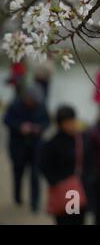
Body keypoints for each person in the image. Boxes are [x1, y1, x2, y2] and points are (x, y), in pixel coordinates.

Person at [40, 105, 93, 225]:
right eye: (67, 122)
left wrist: (88, 178)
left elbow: (89, 160)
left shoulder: (82, 138)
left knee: (77, 219)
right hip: (65, 189)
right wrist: (55, 181)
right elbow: (44, 164)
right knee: (66, 219)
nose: (71, 125)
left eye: (72, 121)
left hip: (80, 187)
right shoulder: (53, 142)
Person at [3, 84, 49, 212]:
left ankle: (35, 204)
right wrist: (20, 127)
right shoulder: (15, 105)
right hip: (18, 146)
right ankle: (17, 198)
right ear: (26, 97)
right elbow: (6, 120)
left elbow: (47, 122)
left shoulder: (41, 106)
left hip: (36, 147)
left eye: (35, 101)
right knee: (18, 173)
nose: (33, 103)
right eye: (31, 100)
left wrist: (38, 128)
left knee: (35, 174)